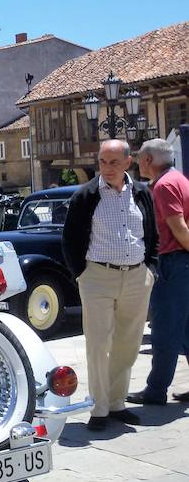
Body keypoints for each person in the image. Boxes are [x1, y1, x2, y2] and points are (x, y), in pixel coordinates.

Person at [62, 139, 157, 431]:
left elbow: (152, 233)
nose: (107, 168)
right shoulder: (86, 195)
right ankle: (100, 408)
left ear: (129, 162)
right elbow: (70, 239)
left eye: (114, 162)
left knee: (128, 345)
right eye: (103, 162)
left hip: (136, 277)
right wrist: (82, 274)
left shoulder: (141, 192)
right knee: (98, 344)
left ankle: (117, 403)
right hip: (97, 278)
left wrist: (151, 269)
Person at [128, 139, 189, 405]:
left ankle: (156, 390)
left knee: (164, 329)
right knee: (186, 330)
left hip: (173, 262)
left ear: (149, 160)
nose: (137, 162)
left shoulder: (163, 186)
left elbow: (179, 228)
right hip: (182, 263)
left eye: (139, 157)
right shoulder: (180, 179)